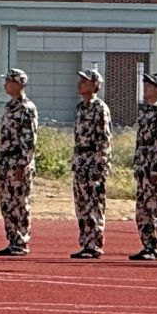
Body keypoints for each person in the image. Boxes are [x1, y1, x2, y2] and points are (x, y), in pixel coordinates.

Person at [0, 66, 37, 257]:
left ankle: (21, 242)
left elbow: (29, 139)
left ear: (19, 84)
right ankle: (13, 239)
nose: (5, 84)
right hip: (7, 162)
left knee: (19, 203)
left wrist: (23, 164)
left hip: (19, 162)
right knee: (7, 203)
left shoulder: (27, 108)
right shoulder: (9, 107)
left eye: (9, 81)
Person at [130, 69, 157, 261]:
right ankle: (147, 244)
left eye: (150, 85)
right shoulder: (144, 112)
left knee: (155, 207)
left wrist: (155, 167)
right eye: (146, 84)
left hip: (154, 169)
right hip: (142, 167)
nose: (146, 87)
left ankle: (156, 245)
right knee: (142, 209)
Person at [71, 67, 112, 260]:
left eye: (85, 81)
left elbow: (104, 140)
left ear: (95, 85)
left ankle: (94, 244)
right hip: (80, 162)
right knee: (81, 206)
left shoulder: (100, 108)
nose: (80, 84)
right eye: (80, 80)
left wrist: (100, 165)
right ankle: (85, 243)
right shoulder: (81, 108)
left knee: (93, 205)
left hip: (93, 163)